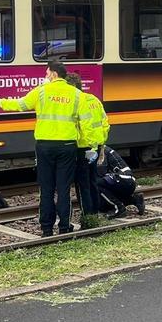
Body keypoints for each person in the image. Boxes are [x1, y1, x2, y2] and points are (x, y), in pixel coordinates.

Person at [0, 60, 98, 236]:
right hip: (67, 147)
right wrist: (91, 146)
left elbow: (18, 104)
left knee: (46, 188)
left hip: (44, 147)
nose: (46, 76)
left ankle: (46, 228)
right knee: (63, 189)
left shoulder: (41, 92)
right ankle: (64, 226)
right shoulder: (77, 95)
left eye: (47, 73)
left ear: (54, 74)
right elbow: (86, 123)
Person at [65, 73, 110, 223]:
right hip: (95, 147)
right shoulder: (94, 100)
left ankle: (87, 215)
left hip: (81, 147)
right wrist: (101, 143)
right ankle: (95, 211)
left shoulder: (76, 103)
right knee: (93, 180)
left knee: (82, 183)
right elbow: (105, 123)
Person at [95, 145, 145, 218]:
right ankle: (135, 200)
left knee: (97, 183)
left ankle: (119, 208)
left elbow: (101, 172)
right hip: (126, 181)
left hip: (124, 180)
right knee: (104, 203)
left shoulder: (102, 151)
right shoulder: (104, 149)